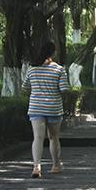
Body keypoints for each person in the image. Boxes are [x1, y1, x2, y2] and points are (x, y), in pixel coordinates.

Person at [22, 41, 70, 178]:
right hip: (54, 108)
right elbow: (64, 89)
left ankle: (36, 166)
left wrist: (34, 92)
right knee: (53, 137)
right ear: (53, 53)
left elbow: (26, 87)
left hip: (36, 107)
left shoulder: (32, 69)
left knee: (37, 137)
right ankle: (56, 165)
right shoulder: (59, 69)